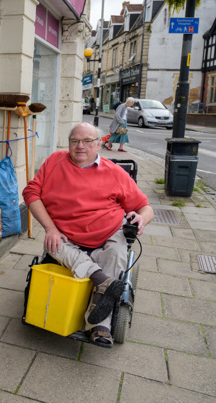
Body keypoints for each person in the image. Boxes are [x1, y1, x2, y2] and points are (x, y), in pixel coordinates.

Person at [22, 122, 154, 347]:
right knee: (52, 245)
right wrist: (50, 228)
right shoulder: (54, 161)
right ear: (69, 144)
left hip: (109, 231)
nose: (80, 146)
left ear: (99, 145)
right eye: (75, 141)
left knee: (115, 252)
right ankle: (103, 281)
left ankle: (100, 325)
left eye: (87, 141)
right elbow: (31, 192)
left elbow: (145, 207)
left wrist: (142, 218)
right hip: (66, 235)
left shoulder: (114, 172)